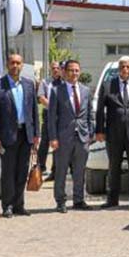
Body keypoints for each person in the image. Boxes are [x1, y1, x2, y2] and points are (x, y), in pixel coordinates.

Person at [0, 53, 39, 218]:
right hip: (7, 136)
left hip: (26, 135)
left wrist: (36, 134)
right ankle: (7, 206)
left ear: (22, 65)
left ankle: (19, 205)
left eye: (18, 63)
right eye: (12, 63)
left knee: (22, 172)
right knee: (8, 172)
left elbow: (34, 112)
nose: (15, 66)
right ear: (7, 65)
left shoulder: (29, 84)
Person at [95, 55, 129, 210]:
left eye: (128, 67)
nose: (125, 69)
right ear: (118, 69)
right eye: (122, 66)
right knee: (113, 167)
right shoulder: (108, 85)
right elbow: (100, 110)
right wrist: (99, 130)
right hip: (113, 134)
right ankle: (112, 199)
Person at [48, 59, 93, 212]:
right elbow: (51, 117)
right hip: (62, 138)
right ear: (65, 72)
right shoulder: (56, 91)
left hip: (82, 137)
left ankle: (79, 200)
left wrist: (90, 133)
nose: (74, 73)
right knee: (61, 171)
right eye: (71, 70)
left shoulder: (86, 90)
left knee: (80, 171)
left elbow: (89, 114)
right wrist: (53, 138)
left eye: (77, 70)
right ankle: (60, 201)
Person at [36, 61, 63, 180]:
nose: (55, 70)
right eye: (53, 68)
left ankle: (55, 170)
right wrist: (53, 107)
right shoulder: (45, 82)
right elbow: (41, 97)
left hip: (61, 116)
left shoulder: (64, 83)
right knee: (45, 141)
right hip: (48, 114)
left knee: (57, 142)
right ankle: (40, 167)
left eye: (57, 68)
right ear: (50, 70)